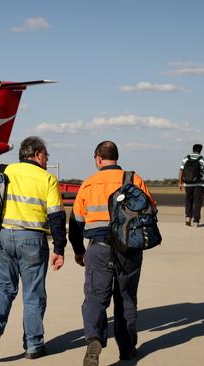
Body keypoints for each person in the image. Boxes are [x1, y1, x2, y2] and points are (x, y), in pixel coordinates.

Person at [68, 141, 156, 366]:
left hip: (99, 247)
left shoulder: (88, 183)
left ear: (98, 158)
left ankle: (94, 339)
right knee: (126, 297)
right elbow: (151, 209)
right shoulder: (133, 179)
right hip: (129, 248)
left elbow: (76, 223)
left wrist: (79, 251)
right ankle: (126, 348)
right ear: (117, 157)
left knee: (96, 297)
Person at [0, 136, 66, 360]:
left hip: (2, 236)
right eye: (46, 156)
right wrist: (59, 247)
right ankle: (34, 345)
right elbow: (56, 217)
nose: (47, 160)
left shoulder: (3, 171)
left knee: (2, 286)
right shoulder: (47, 179)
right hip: (33, 240)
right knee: (33, 294)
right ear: (37, 154)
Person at [178, 144, 204, 227]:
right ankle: (196, 221)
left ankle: (188, 218)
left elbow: (181, 171)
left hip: (187, 183)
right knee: (197, 202)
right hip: (199, 184)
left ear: (193, 149)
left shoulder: (185, 158)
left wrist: (180, 182)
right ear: (200, 150)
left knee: (188, 200)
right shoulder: (203, 160)